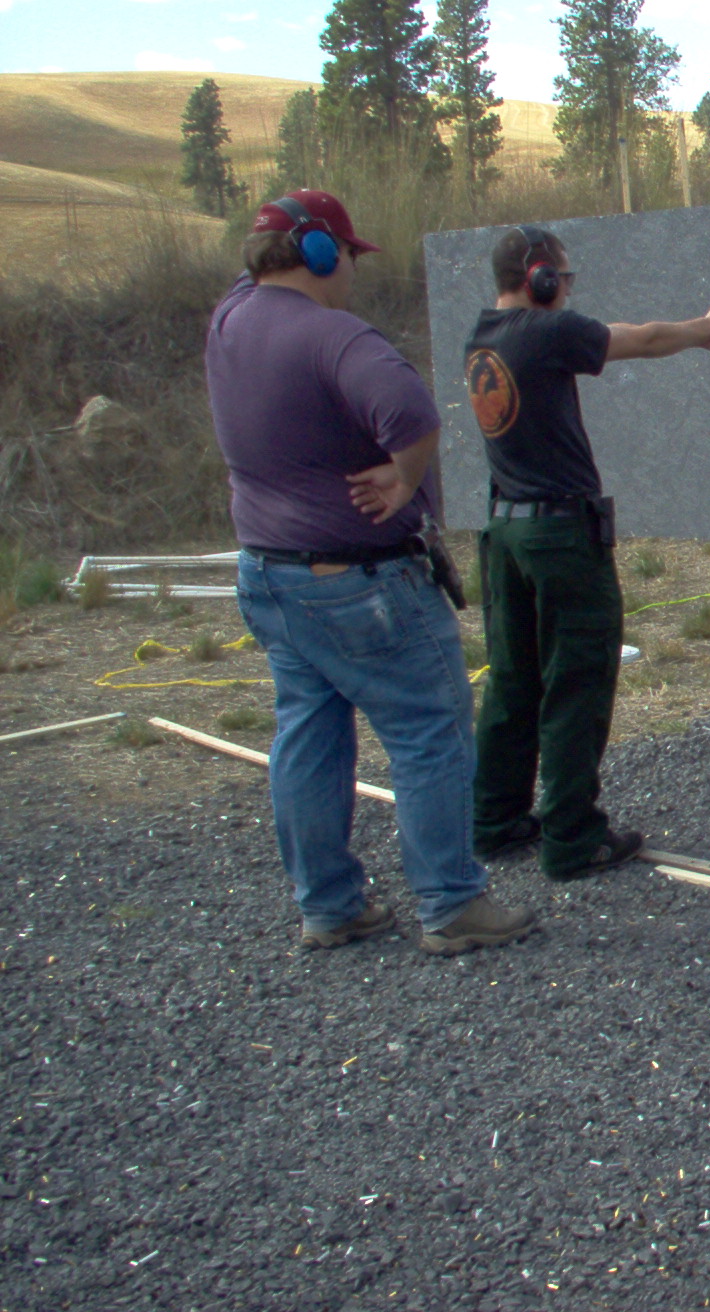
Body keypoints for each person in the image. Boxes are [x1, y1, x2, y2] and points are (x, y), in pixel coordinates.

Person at [208, 189, 536, 956]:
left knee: (308, 735)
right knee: (430, 732)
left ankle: (329, 907)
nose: (353, 269)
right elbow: (413, 417)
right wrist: (402, 477)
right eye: (349, 254)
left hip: (270, 576)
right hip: (360, 582)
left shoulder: (230, 320)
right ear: (321, 253)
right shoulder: (335, 335)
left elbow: (252, 280)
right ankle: (451, 903)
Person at [466, 226, 710, 878]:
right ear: (537, 277)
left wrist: (701, 329)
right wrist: (708, 327)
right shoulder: (542, 332)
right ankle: (571, 837)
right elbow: (640, 339)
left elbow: (619, 333)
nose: (567, 291)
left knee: (512, 683)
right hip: (559, 536)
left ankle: (496, 821)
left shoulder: (484, 336)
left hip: (505, 531)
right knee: (577, 683)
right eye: (563, 279)